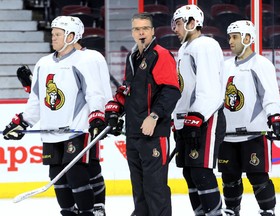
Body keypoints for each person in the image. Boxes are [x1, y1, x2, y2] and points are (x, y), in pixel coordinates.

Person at [3, 16, 112, 216]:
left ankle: (90, 212)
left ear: (71, 36)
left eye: (57, 34)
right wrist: (22, 122)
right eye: (53, 34)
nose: (53, 38)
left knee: (76, 174)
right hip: (51, 131)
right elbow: (37, 100)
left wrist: (98, 116)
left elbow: (95, 92)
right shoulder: (43, 63)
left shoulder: (85, 59)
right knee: (57, 177)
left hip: (77, 129)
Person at [104, 12, 181, 216]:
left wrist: (154, 116)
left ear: (153, 31)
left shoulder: (160, 54)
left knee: (155, 190)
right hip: (134, 133)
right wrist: (115, 109)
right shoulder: (132, 57)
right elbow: (128, 90)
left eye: (145, 28)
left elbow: (171, 90)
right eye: (137, 29)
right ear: (132, 33)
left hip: (154, 133)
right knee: (139, 190)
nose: (141, 32)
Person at [218, 20, 280, 216]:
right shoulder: (224, 66)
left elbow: (270, 95)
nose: (230, 41)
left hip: (253, 136)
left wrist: (276, 118)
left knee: (258, 177)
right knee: (229, 178)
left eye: (235, 37)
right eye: (229, 37)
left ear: (248, 38)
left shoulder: (262, 64)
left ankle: (267, 210)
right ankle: (231, 209)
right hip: (227, 136)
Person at [171, 4, 226, 216]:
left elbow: (210, 89)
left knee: (200, 171)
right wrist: (178, 121)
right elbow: (184, 90)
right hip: (188, 121)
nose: (174, 29)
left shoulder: (205, 45)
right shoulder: (185, 49)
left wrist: (196, 117)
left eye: (177, 24)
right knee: (189, 172)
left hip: (206, 119)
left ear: (192, 23)